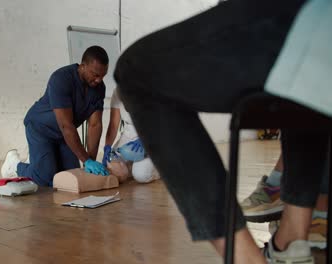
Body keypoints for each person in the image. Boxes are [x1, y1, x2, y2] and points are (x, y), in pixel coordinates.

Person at [114, 0, 331, 263]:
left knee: (136, 71)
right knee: (301, 88)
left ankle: (247, 259)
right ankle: (290, 243)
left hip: (314, 18)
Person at [1, 46, 110, 186]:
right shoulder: (61, 79)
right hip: (40, 128)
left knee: (70, 176)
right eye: (95, 75)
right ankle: (15, 165)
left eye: (103, 76)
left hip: (63, 135)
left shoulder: (99, 89)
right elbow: (66, 125)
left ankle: (39, 160)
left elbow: (95, 125)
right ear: (83, 66)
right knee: (46, 178)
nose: (99, 80)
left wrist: (91, 160)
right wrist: (86, 160)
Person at [102, 89, 159, 183]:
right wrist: (107, 146)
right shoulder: (118, 91)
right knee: (113, 169)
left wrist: (147, 139)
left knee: (141, 175)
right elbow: (113, 125)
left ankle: (160, 169)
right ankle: (132, 165)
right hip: (129, 134)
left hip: (152, 136)